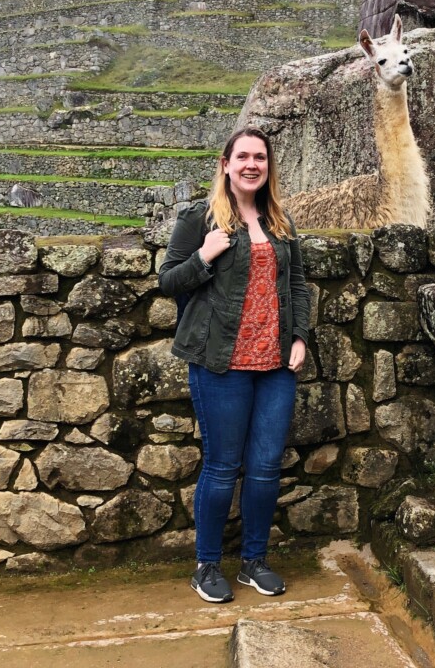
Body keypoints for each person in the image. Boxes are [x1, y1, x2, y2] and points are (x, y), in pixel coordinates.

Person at [158, 125, 310, 604]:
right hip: (219, 362)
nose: (251, 165)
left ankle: (254, 562)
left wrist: (301, 337)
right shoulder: (198, 219)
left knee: (265, 468)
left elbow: (299, 286)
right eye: (242, 156)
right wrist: (204, 256)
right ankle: (206, 566)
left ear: (268, 167)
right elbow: (168, 282)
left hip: (275, 364)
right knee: (223, 467)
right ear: (225, 164)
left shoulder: (280, 221)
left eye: (259, 158)